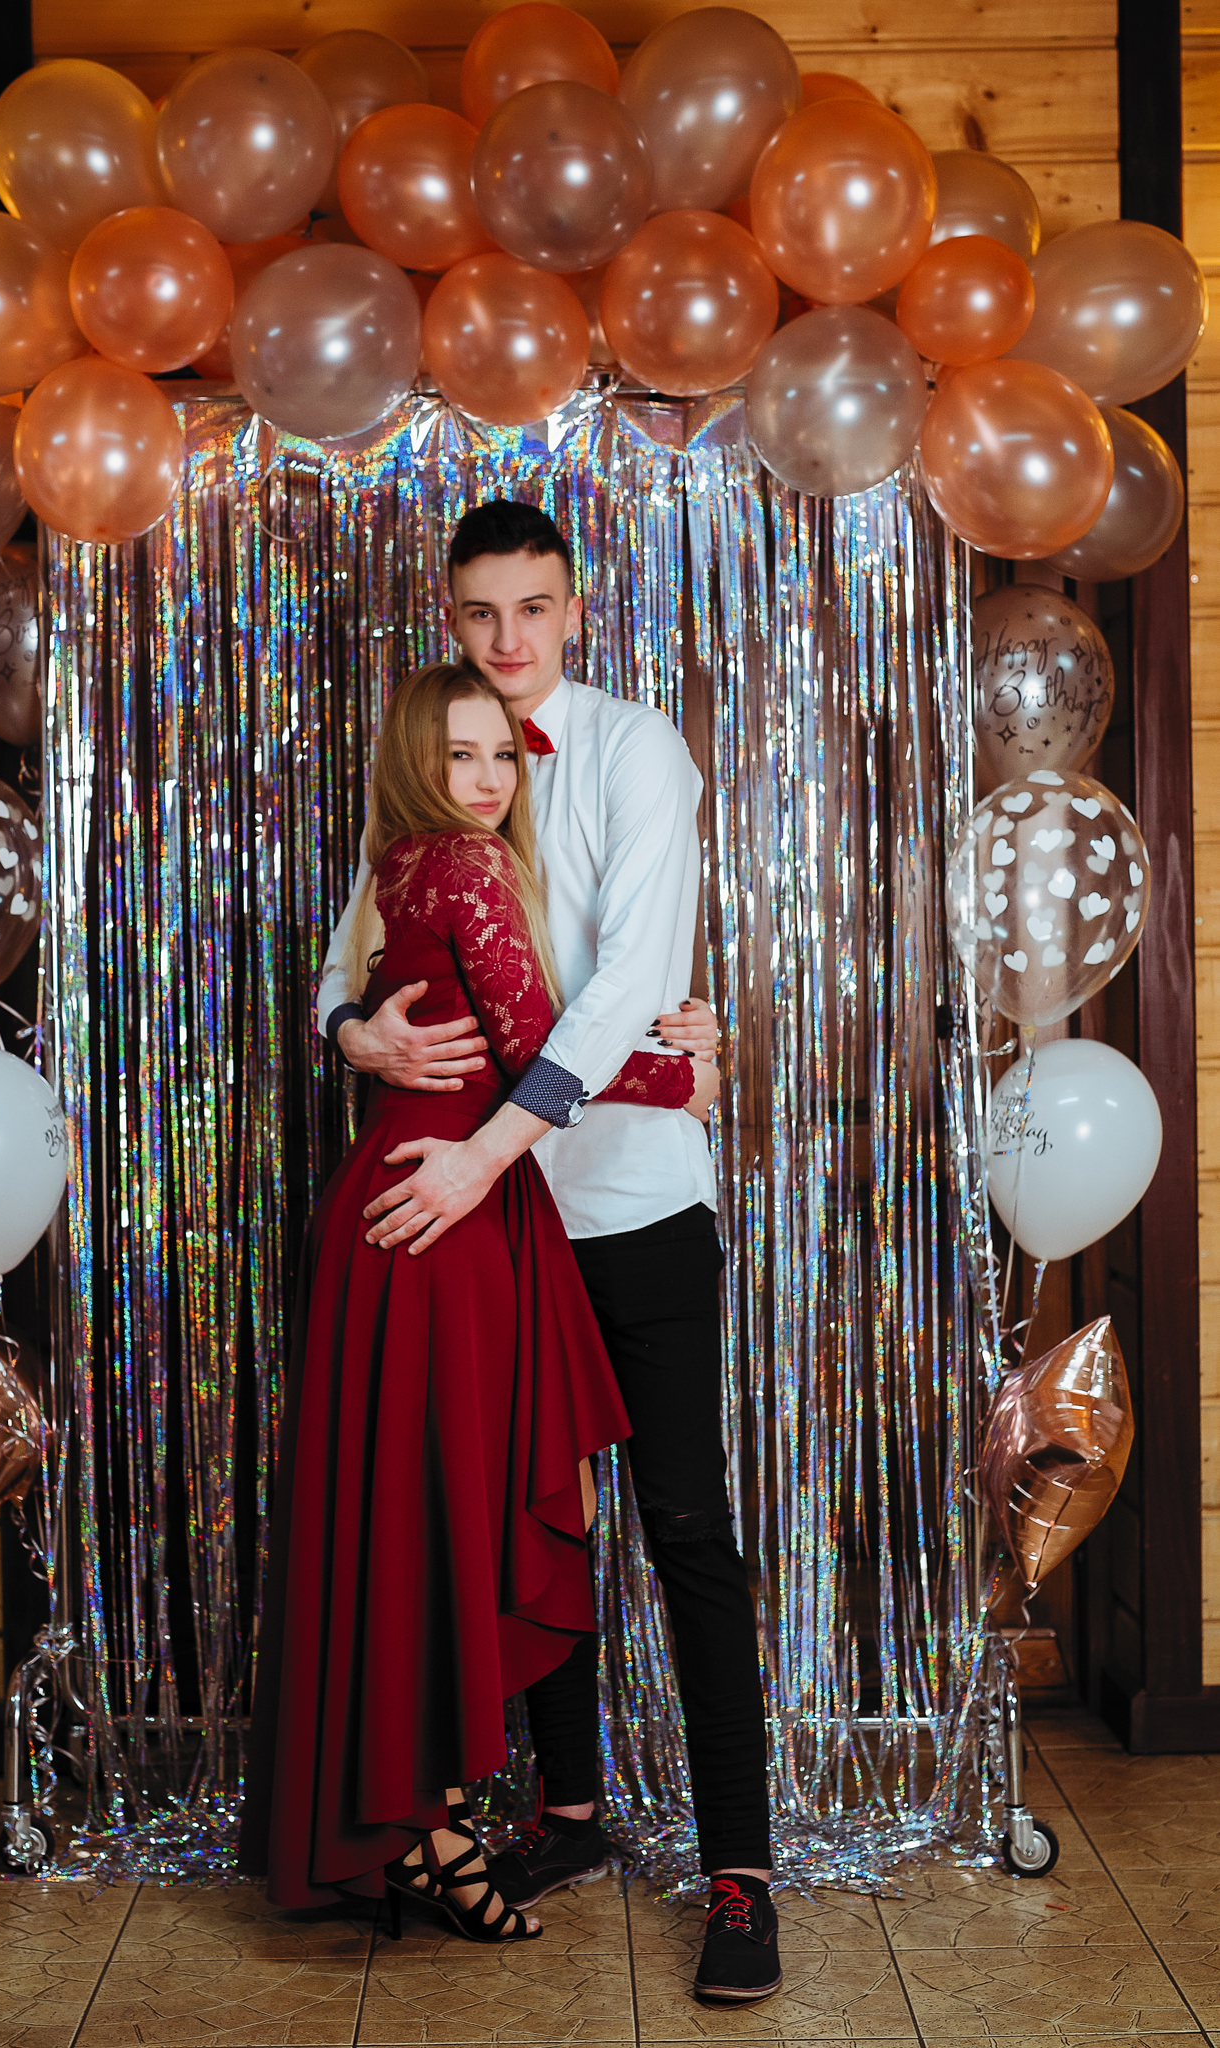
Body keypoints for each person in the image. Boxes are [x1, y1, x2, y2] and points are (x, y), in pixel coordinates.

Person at [316, 500, 781, 2005]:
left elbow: (619, 983)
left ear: (574, 611)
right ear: (449, 622)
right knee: (540, 1508)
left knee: (684, 1526)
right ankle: (568, 1815)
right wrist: (356, 1032)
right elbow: (345, 956)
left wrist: (488, 1147)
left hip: (627, 1205)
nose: (507, 639)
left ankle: (739, 1871)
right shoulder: (444, 760)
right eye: (479, 613)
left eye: (533, 608)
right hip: (502, 1228)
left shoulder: (636, 751)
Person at [240, 659, 715, 1939]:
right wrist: (687, 1077)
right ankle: (427, 1823)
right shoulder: (462, 863)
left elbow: (492, 1031)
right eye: (460, 754)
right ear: (416, 758)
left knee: (403, 1516)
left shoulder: (400, 863)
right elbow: (534, 1041)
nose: (489, 776)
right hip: (443, 1210)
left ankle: (413, 1815)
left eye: (502, 752)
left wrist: (354, 1026)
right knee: (441, 1515)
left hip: (410, 1198)